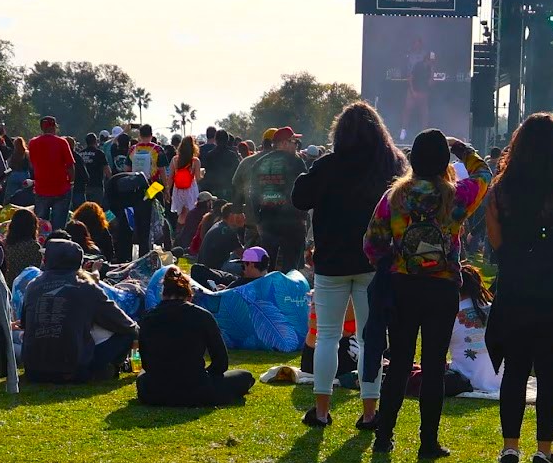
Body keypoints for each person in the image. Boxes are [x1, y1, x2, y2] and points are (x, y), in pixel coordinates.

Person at [482, 111, 553, 463]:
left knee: (514, 369)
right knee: (548, 372)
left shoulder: (499, 193)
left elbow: (496, 243)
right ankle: (544, 450)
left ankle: (509, 447)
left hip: (514, 287)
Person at [292, 101, 402, 429]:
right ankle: (370, 413)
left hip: (331, 263)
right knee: (371, 340)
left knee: (327, 336)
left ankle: (322, 410)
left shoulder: (328, 165)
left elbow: (300, 198)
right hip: (375, 263)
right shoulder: (390, 165)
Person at [363, 128, 468, 458]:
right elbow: (485, 174)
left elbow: (372, 242)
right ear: (443, 161)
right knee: (435, 365)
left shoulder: (394, 197)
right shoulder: (455, 197)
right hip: (443, 286)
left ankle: (384, 435)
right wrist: (461, 149)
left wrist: (392, 262)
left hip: (402, 286)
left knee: (399, 362)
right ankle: (428, 442)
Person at [19, 236, 137, 384]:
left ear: (47, 261)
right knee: (126, 336)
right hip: (73, 370)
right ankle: (106, 368)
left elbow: (24, 323)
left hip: (34, 370)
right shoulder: (86, 288)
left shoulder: (32, 286)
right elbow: (125, 325)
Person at [134, 265, 253, 407]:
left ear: (163, 294)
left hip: (155, 392)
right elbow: (221, 362)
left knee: (142, 376)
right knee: (245, 376)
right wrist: (202, 375)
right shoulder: (201, 316)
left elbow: (147, 364)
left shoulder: (148, 318)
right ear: (189, 296)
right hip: (196, 391)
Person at [240, 126, 306, 271]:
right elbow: (305, 189)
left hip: (267, 222)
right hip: (292, 222)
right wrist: (303, 216)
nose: (296, 145)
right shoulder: (296, 161)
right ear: (283, 143)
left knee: (267, 266)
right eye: (293, 141)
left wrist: (258, 219)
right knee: (291, 268)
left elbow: (252, 193)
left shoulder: (259, 163)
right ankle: (289, 293)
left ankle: (268, 291)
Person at [26, 115, 76, 229]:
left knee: (40, 226)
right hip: (61, 189)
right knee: (58, 226)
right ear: (54, 127)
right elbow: (70, 166)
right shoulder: (62, 142)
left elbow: (32, 164)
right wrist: (71, 183)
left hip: (41, 188)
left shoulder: (33, 143)